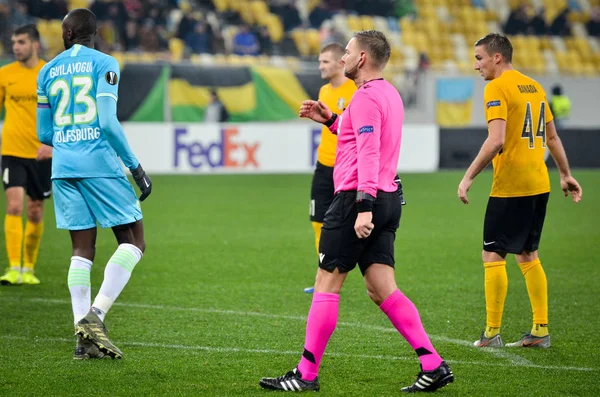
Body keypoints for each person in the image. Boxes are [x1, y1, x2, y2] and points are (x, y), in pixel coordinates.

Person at [259, 30, 453, 393]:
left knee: (326, 282)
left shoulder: (364, 98)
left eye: (347, 52)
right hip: (389, 196)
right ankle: (434, 365)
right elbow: (364, 139)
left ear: (362, 58)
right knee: (382, 288)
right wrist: (331, 119)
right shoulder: (388, 94)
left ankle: (306, 375)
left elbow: (367, 153)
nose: (343, 57)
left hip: (357, 200)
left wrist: (362, 208)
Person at [36, 8, 152, 359]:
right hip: (99, 164)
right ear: (94, 34)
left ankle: (83, 342)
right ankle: (95, 317)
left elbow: (43, 132)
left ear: (67, 34)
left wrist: (70, 142)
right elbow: (107, 121)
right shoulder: (105, 64)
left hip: (64, 167)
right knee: (135, 241)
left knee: (82, 249)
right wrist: (135, 167)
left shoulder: (46, 71)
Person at [458, 33, 582, 349]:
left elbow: (496, 139)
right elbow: (552, 138)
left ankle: (491, 334)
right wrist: (565, 174)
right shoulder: (535, 87)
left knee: (492, 254)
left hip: (511, 187)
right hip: (539, 183)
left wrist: (468, 176)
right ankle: (540, 330)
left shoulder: (496, 87)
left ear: (497, 57)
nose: (476, 66)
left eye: (479, 58)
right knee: (528, 255)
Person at [0, 25, 52, 286]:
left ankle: (29, 268)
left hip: (42, 154)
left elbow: (62, 114)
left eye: (21, 42)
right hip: (11, 151)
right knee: (14, 206)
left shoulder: (49, 73)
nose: (15, 46)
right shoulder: (4, 74)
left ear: (34, 44)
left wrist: (54, 146)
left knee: (34, 211)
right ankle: (13, 268)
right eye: (13, 41)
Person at [305, 42, 356, 294]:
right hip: (323, 165)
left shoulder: (354, 89)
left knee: (344, 223)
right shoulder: (324, 90)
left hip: (345, 169)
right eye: (319, 61)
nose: (320, 66)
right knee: (317, 220)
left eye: (325, 61)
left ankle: (337, 273)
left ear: (339, 63)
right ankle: (322, 278)